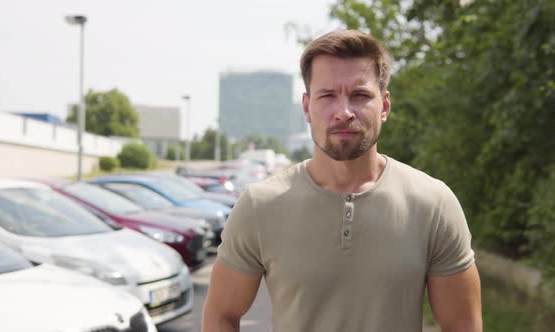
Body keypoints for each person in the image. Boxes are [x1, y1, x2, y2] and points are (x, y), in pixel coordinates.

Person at [202, 30, 482, 332]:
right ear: (307, 107)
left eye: (360, 95)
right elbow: (221, 314)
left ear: (384, 106)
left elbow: (462, 325)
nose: (344, 112)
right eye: (327, 96)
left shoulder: (433, 204)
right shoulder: (261, 205)